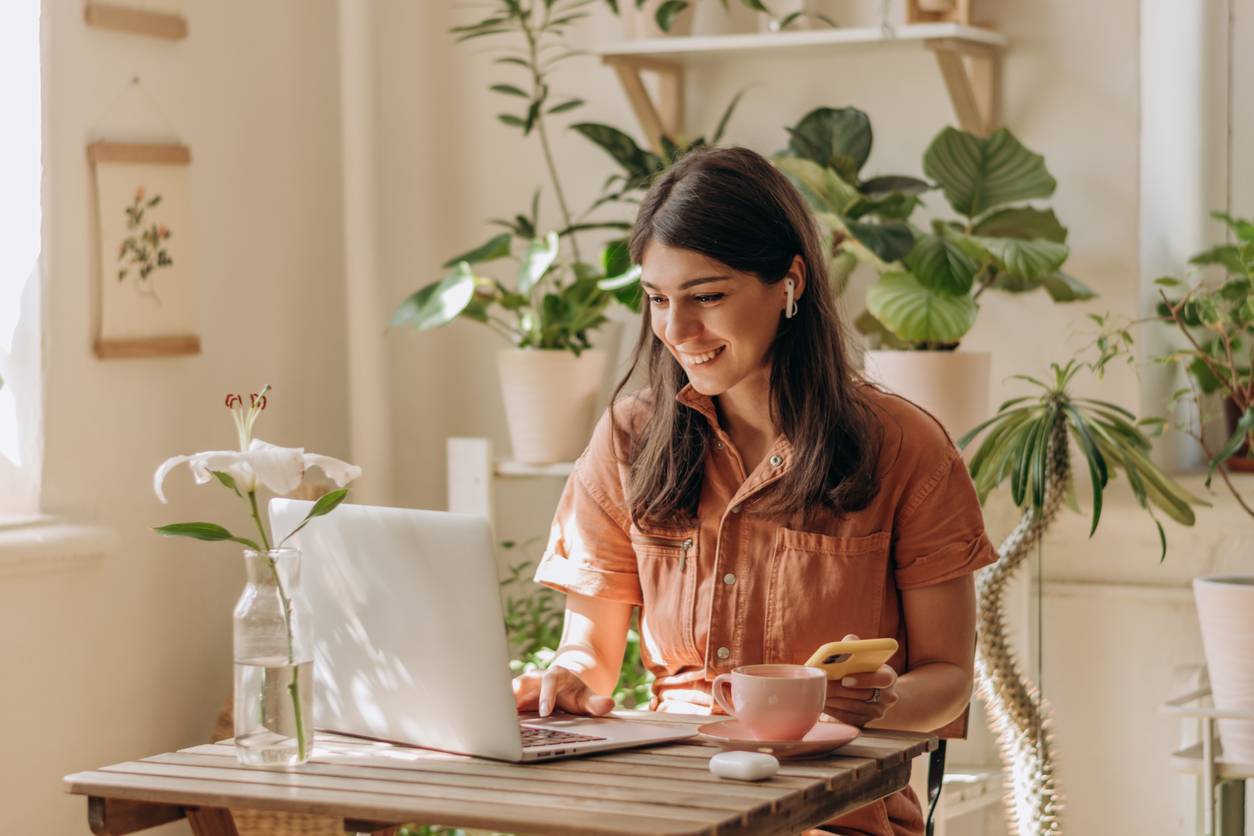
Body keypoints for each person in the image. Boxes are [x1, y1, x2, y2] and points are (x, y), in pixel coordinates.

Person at [511, 146, 998, 835]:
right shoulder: (631, 436)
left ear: (789, 283)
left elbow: (949, 674)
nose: (677, 331)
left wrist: (877, 703)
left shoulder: (905, 447)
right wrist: (563, 680)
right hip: (665, 800)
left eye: (707, 296)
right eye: (657, 299)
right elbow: (588, 653)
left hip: (833, 811)